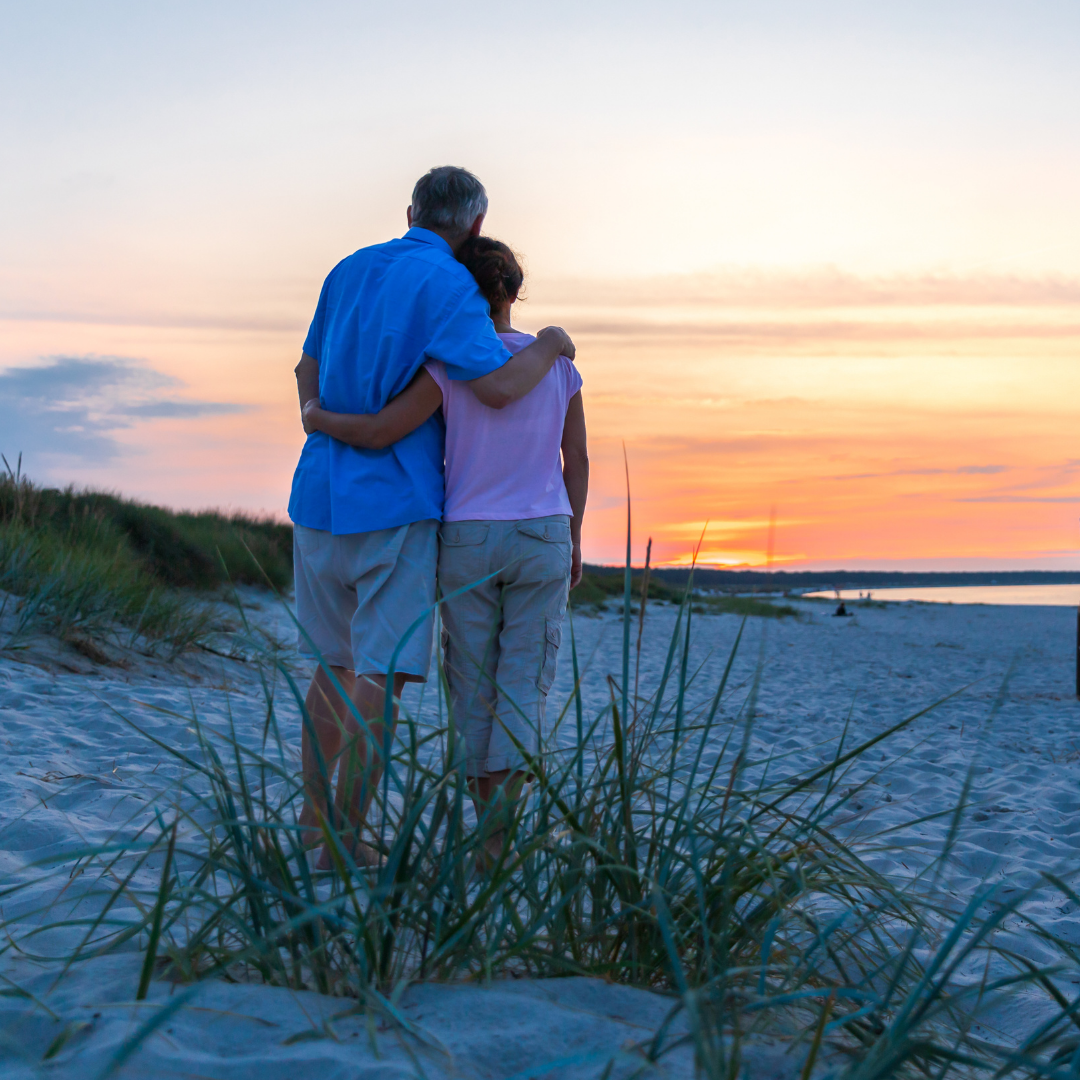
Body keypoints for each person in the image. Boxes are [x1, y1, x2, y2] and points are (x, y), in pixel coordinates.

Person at [289, 167, 575, 866]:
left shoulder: (349, 268)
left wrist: (316, 417)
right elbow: (502, 388)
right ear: (475, 225)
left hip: (319, 494)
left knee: (332, 663)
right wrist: (551, 343)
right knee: (379, 672)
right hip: (394, 504)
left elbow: (305, 369)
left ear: (410, 211)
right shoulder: (449, 285)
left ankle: (314, 826)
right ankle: (346, 841)